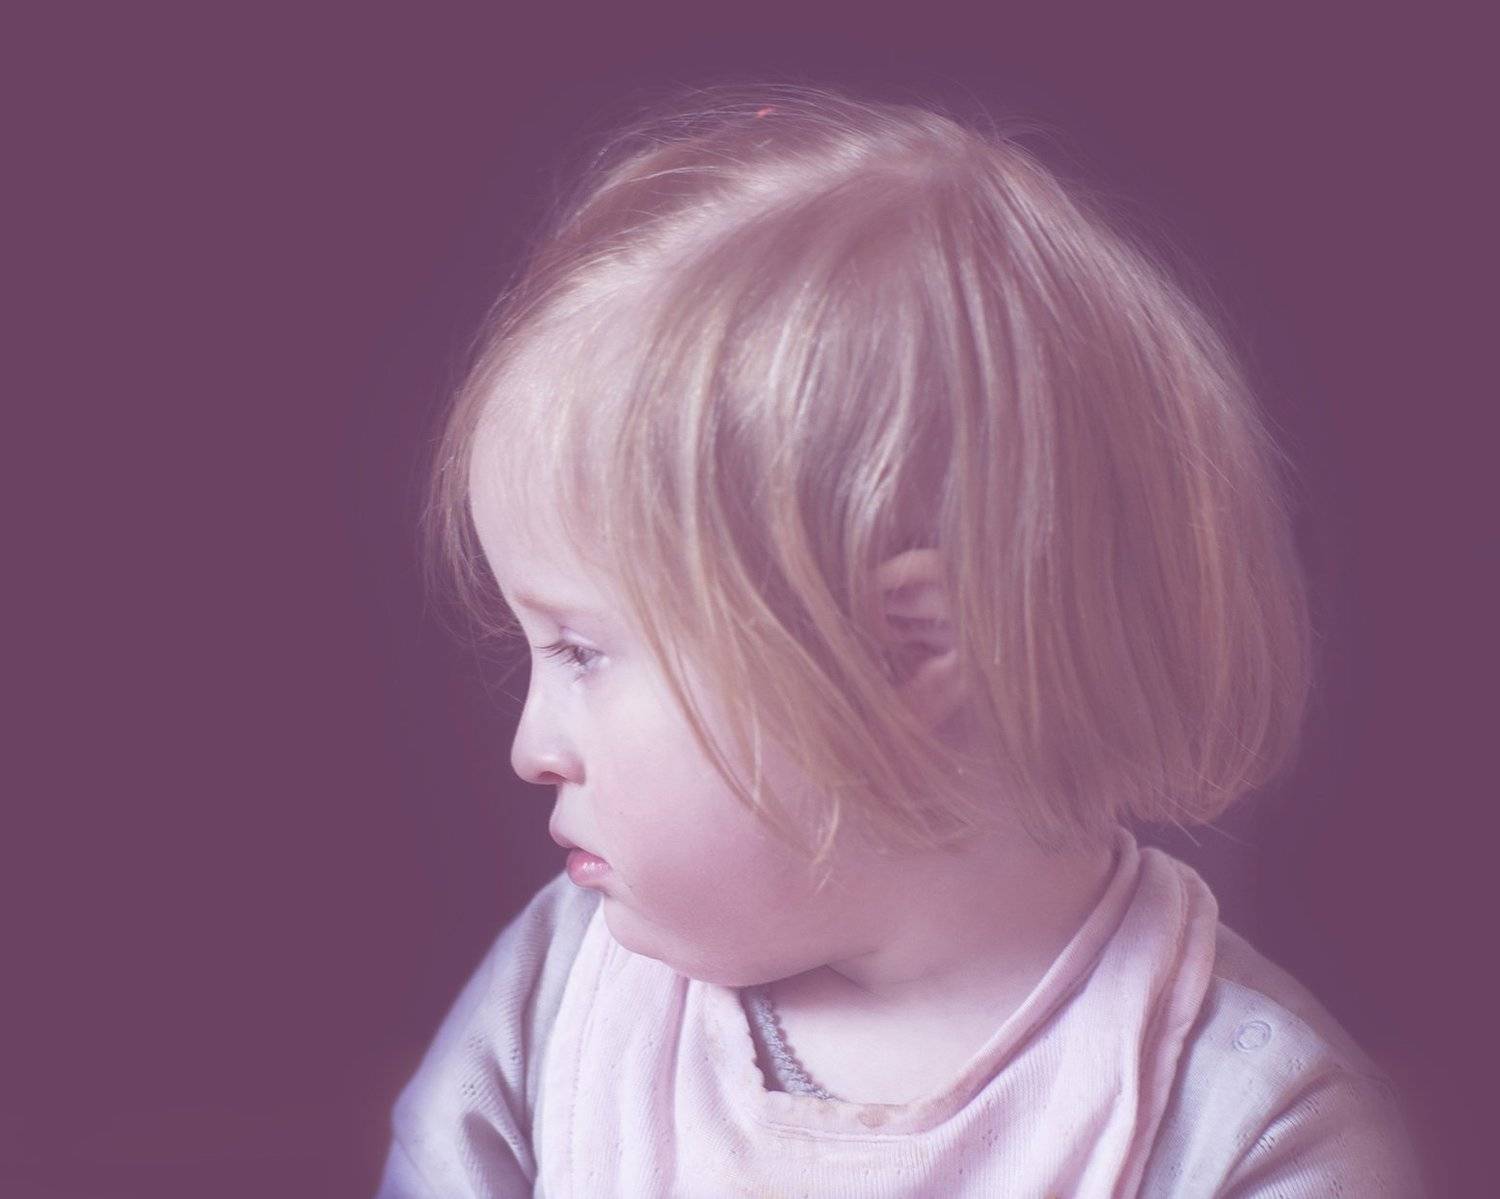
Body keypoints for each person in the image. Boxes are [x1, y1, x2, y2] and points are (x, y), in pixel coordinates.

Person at [374, 82, 1428, 1197]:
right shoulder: (559, 1002)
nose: (531, 747)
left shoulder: (1241, 1124)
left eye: (582, 652)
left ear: (906, 650)